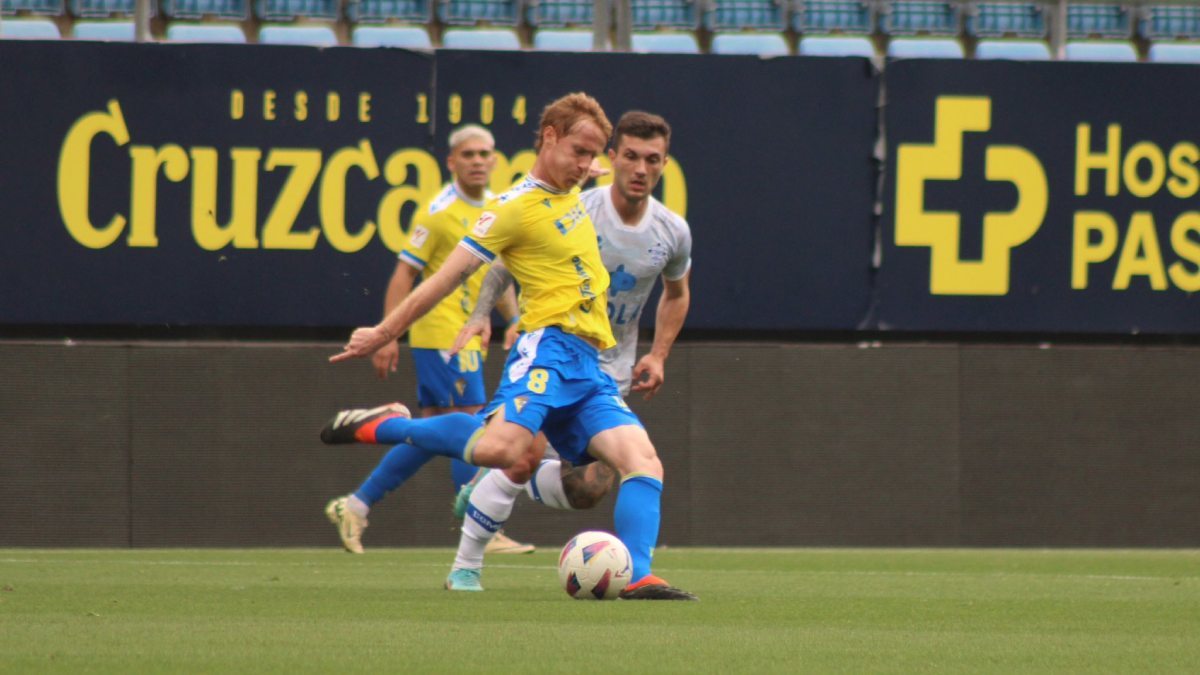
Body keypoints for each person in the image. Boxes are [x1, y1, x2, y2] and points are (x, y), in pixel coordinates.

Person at [321, 92, 697, 600]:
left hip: (591, 364)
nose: (588, 165)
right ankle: (388, 424)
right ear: (549, 137)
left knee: (642, 462)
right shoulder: (510, 209)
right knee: (502, 451)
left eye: (594, 155)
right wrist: (386, 333)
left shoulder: (580, 187)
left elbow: (620, 178)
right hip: (547, 349)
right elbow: (447, 278)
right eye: (580, 152)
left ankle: (640, 576)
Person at [445, 111, 692, 590]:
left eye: (653, 160)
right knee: (518, 455)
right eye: (632, 157)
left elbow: (678, 293)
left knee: (589, 490)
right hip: (553, 351)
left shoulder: (672, 231)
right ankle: (465, 565)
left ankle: (493, 483)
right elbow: (506, 256)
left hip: (607, 369)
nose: (641, 169)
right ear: (612, 157)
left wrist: (658, 354)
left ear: (664, 164)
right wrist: (483, 313)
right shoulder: (577, 204)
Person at [323, 124, 533, 556]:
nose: (477, 160)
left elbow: (499, 272)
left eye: (484, 153)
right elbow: (405, 274)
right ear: (451, 161)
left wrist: (515, 320)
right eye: (468, 154)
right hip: (441, 335)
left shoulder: (496, 208)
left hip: (467, 335)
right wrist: (388, 336)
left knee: (433, 433)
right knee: (473, 426)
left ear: (495, 160)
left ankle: (356, 505)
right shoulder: (438, 212)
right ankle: (481, 524)